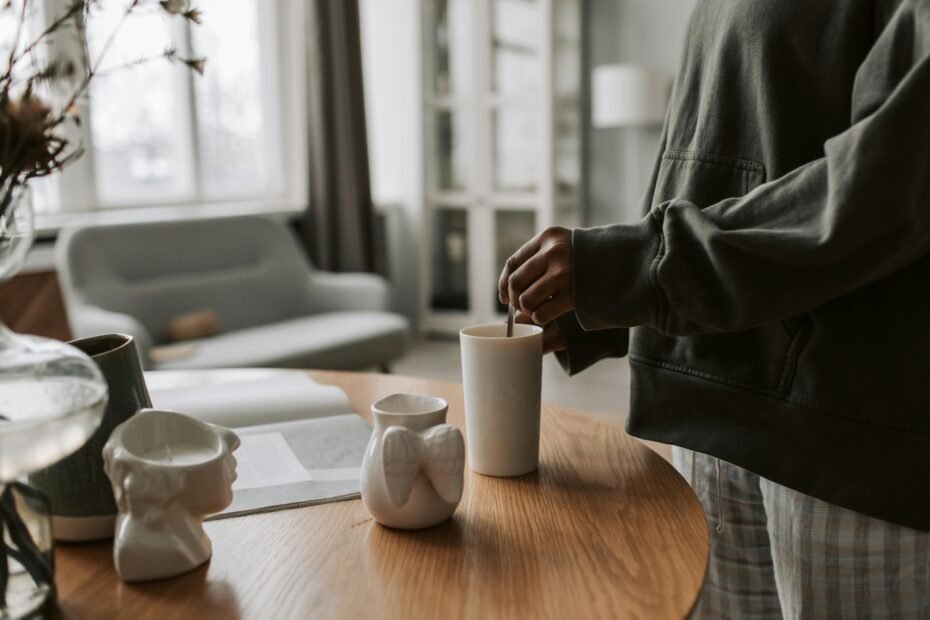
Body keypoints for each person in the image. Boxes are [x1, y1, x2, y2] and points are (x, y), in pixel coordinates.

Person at [498, 0, 930, 617]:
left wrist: (635, 268)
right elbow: (712, 159)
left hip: (836, 433)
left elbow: (886, 186)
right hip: (712, 407)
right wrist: (610, 304)